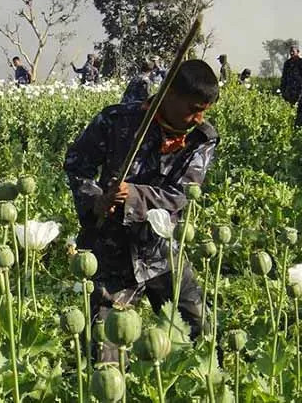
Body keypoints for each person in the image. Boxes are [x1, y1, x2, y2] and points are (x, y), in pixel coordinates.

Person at [64, 59, 219, 362]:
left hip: (162, 252)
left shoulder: (202, 138)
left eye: (204, 110)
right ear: (168, 93)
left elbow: (180, 195)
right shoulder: (115, 121)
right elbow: (76, 164)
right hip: (109, 254)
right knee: (103, 353)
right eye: (192, 108)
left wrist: (132, 195)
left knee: (202, 335)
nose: (198, 117)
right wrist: (96, 199)